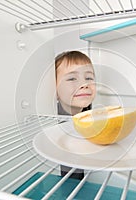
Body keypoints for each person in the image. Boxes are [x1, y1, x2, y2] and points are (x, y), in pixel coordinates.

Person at [55, 50, 96, 179]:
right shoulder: (54, 121)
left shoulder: (89, 114)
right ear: (53, 89)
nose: (84, 84)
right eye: (72, 78)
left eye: (89, 78)